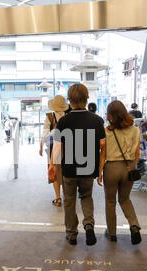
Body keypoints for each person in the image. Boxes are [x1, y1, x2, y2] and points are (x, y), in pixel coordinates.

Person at [49, 84, 106, 246]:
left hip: (69, 169)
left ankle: (72, 234)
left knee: (69, 200)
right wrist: (100, 168)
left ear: (70, 101)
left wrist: (52, 166)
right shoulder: (97, 120)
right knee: (86, 197)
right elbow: (103, 146)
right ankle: (88, 225)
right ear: (87, 98)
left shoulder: (63, 122)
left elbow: (57, 148)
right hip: (89, 168)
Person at [98, 100, 142, 245]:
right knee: (125, 199)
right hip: (129, 167)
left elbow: (103, 154)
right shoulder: (135, 130)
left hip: (111, 168)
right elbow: (137, 153)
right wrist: (132, 167)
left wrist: (99, 172)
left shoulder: (107, 131)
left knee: (110, 201)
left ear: (111, 116)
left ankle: (112, 233)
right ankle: (134, 225)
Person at [39, 95, 68, 207]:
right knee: (65, 172)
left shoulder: (50, 117)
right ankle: (67, 197)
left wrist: (41, 146)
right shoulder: (68, 116)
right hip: (67, 147)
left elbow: (45, 133)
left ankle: (58, 198)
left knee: (54, 171)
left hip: (52, 148)